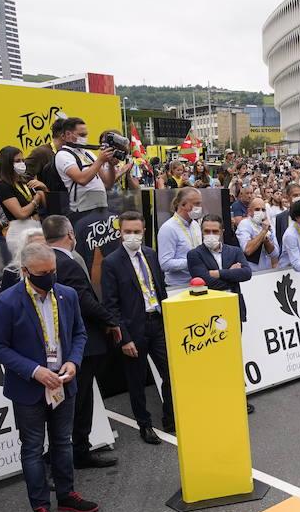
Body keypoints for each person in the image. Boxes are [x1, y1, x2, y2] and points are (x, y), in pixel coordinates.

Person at [0, 242, 100, 512]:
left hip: (64, 383)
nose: (49, 277)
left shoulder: (67, 295)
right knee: (33, 448)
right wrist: (35, 371)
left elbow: (79, 333)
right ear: (25, 272)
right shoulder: (7, 302)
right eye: (42, 273)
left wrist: (73, 362)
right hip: (29, 389)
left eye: (52, 271)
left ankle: (66, 495)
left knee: (63, 442)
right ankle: (40, 506)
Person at [41, 214, 119, 468]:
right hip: (82, 344)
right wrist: (112, 320)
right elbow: (86, 301)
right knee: (78, 402)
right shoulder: (68, 263)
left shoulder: (47, 263)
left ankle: (75, 453)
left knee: (77, 402)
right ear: (71, 235)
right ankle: (71, 455)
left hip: (62, 344)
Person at [101, 211, 175, 444]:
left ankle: (170, 416)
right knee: (137, 381)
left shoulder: (151, 255)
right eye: (127, 232)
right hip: (134, 329)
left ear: (144, 231)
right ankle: (145, 424)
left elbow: (159, 287)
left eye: (136, 231)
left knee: (171, 373)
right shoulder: (111, 262)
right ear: (120, 232)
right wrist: (124, 338)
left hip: (158, 324)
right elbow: (111, 305)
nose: (132, 235)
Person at [188, 214, 256, 413]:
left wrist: (219, 272)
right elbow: (204, 281)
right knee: (213, 358)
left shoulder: (234, 251)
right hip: (209, 313)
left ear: (222, 232)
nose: (210, 235)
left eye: (214, 231)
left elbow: (246, 273)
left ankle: (238, 397)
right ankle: (216, 398)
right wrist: (230, 273)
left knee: (233, 356)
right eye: (206, 231)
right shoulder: (195, 254)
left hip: (233, 309)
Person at [55, 116, 116, 221]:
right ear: (68, 134)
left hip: (101, 206)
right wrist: (100, 160)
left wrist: (111, 165)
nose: (85, 138)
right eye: (82, 135)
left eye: (86, 135)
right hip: (82, 210)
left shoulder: (88, 153)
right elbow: (82, 179)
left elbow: (108, 183)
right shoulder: (63, 155)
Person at [0, 145, 48, 258]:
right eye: (17, 161)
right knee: (23, 268)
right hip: (19, 231)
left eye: (23, 160)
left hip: (37, 227)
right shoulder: (2, 186)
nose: (22, 163)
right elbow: (21, 213)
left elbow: (48, 205)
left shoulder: (26, 180)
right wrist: (36, 200)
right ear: (7, 163)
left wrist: (44, 188)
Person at [158, 186, 204, 291]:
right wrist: (192, 262)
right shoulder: (168, 228)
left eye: (200, 203)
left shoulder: (195, 225)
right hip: (178, 286)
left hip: (199, 282)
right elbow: (165, 263)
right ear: (183, 205)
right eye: (196, 204)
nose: (199, 207)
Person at [236, 198, 278, 270]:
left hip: (267, 270)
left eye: (263, 210)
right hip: (251, 272)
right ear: (249, 211)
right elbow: (247, 250)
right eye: (257, 209)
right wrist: (263, 232)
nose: (260, 212)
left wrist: (267, 241)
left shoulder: (268, 225)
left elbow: (275, 254)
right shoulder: (244, 224)